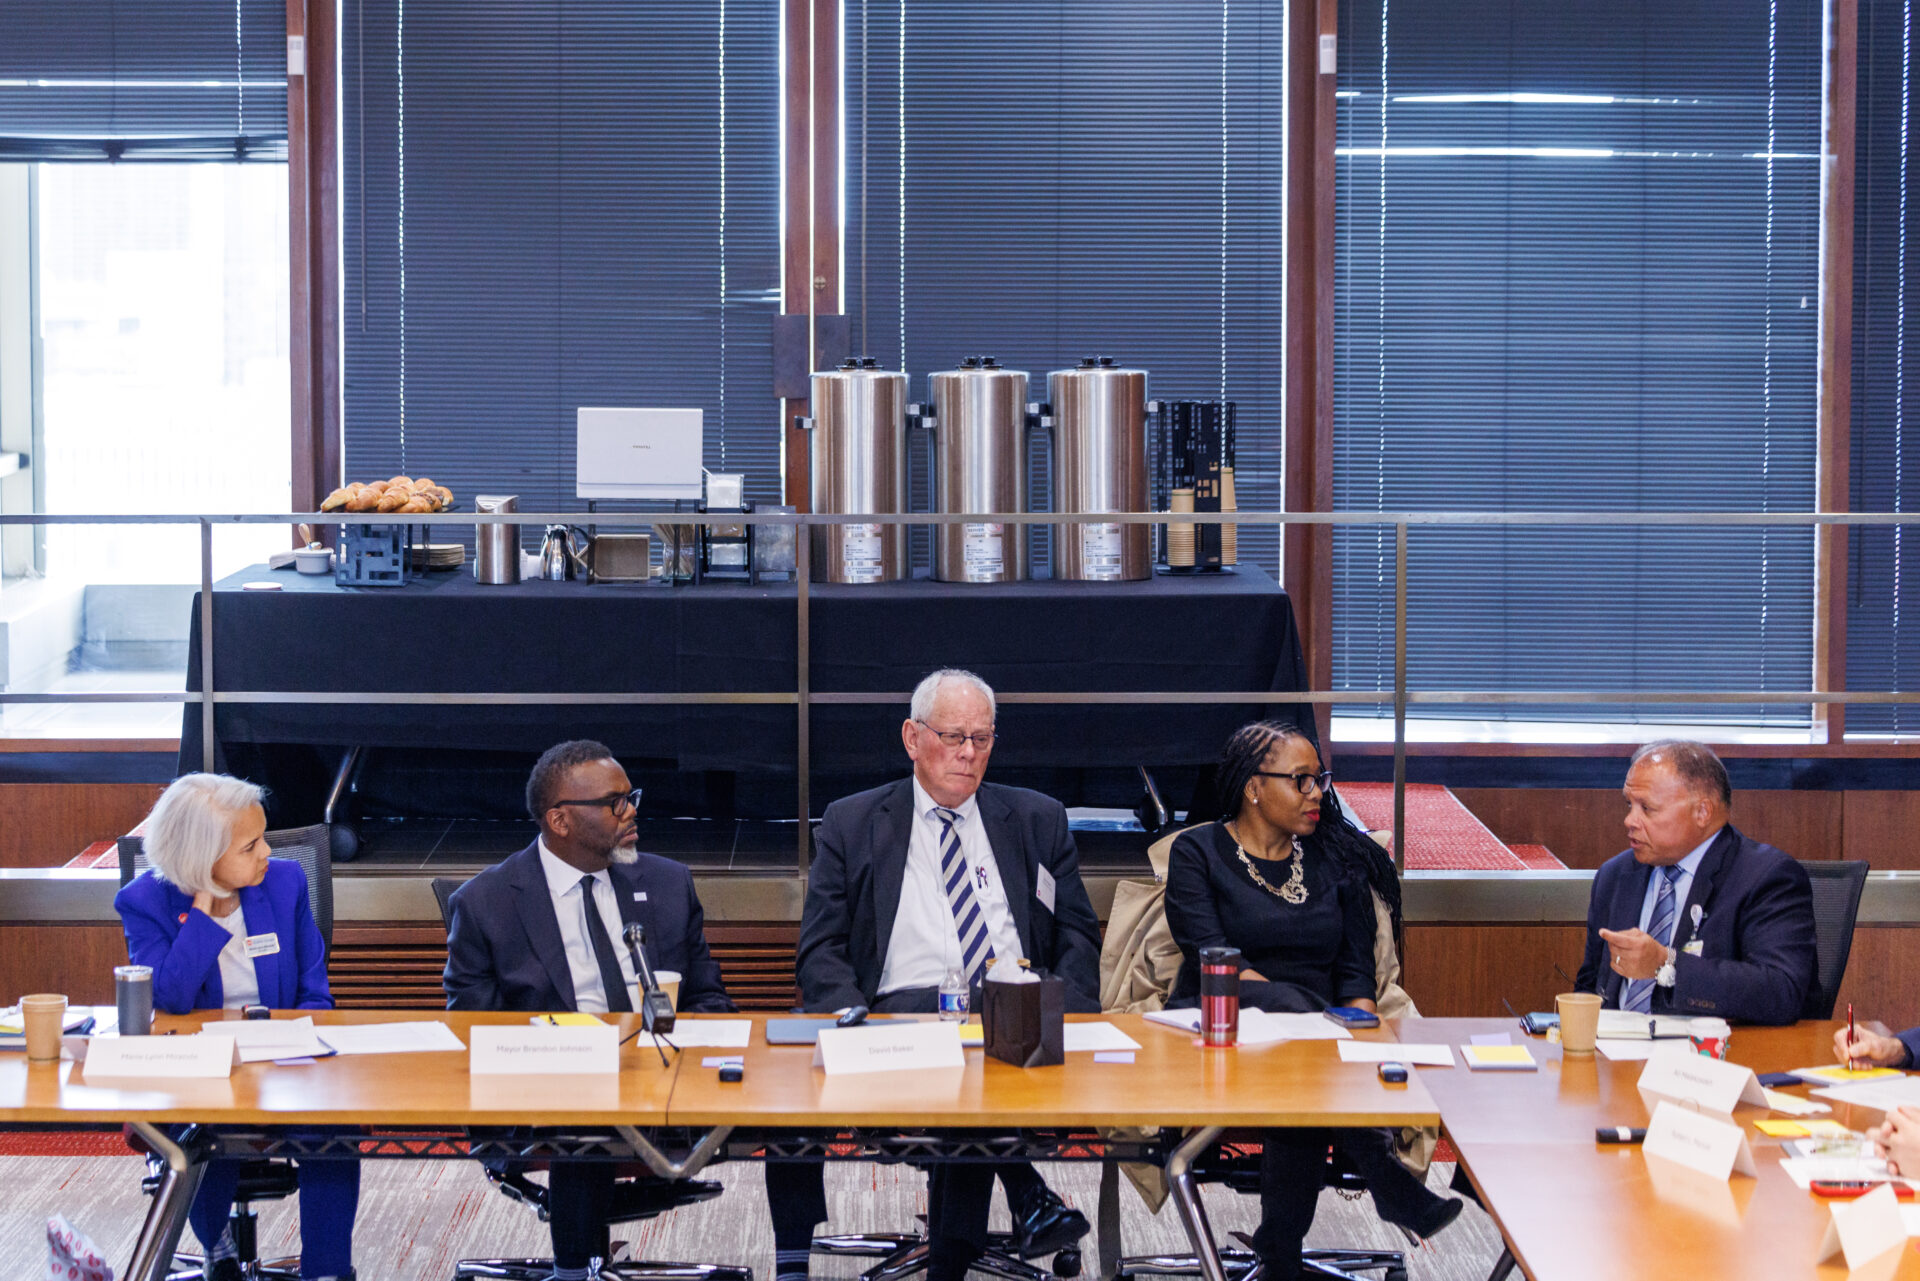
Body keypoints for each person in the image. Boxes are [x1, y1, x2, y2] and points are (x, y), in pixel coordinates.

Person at [766, 668, 1101, 1281]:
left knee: (978, 1047)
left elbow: (1078, 934)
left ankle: (959, 1251)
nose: (969, 754)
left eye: (982, 738)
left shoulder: (1035, 819)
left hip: (1014, 1016)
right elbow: (820, 953)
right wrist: (853, 1025)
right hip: (897, 1015)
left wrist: (1067, 1013)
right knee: (949, 1062)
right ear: (911, 738)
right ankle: (1012, 1205)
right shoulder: (853, 822)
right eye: (952, 736)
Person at [1161, 721, 1459, 1280]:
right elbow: (1216, 962)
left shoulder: (1334, 858)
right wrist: (1311, 1016)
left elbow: (1355, 975)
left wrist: (1359, 1042)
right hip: (1223, 1026)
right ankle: (1385, 1183)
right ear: (1254, 787)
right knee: (1301, 1045)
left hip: (1323, 1039)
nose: (1316, 793)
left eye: (1318, 779)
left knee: (1307, 1069)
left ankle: (1280, 1254)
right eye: (1300, 781)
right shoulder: (1197, 851)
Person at [444, 739, 735, 1281]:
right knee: (583, 1111)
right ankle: (573, 1270)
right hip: (546, 1094)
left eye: (632, 797)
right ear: (560, 820)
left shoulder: (668, 884)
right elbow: (475, 1036)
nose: (631, 812)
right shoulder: (486, 905)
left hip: (662, 1078)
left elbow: (709, 998)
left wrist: (698, 1040)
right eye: (614, 802)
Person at [114, 773, 359, 1281]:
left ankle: (329, 1270)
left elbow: (315, 992)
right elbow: (173, 997)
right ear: (201, 856)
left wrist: (301, 1044)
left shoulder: (286, 882)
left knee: (337, 1127)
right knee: (202, 1125)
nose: (267, 851)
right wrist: (204, 906)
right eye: (251, 845)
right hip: (197, 1069)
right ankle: (217, 1249)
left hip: (286, 1062)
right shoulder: (145, 902)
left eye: (264, 836)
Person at [1575, 739, 1816, 1025]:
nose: (1630, 820)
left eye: (1647, 808)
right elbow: (1590, 986)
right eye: (1630, 804)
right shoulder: (1615, 876)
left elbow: (1781, 991)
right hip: (1613, 1058)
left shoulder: (1767, 877)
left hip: (1711, 1059)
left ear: (1702, 812)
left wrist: (1666, 964)